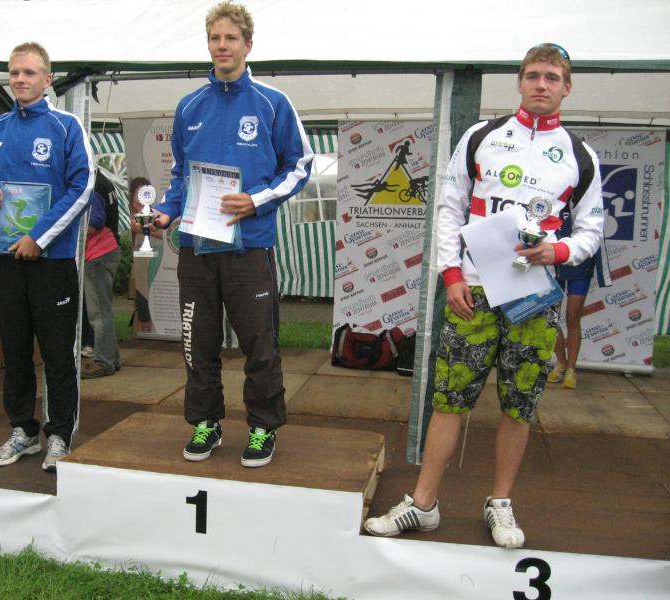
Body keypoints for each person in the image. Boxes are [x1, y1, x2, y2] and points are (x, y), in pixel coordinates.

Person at [364, 43, 604, 548]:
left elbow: (592, 229)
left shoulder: (580, 154)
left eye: (552, 77)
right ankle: (424, 504)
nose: (541, 84)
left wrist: (558, 251)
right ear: (519, 82)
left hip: (534, 297)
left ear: (567, 87)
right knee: (450, 398)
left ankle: (500, 503)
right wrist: (451, 275)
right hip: (472, 293)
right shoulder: (482, 136)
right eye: (533, 75)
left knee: (519, 405)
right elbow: (449, 208)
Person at [150, 1, 313, 468]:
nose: (222, 46)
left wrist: (255, 201)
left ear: (247, 45)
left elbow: (299, 165)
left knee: (259, 345)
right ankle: (206, 422)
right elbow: (181, 175)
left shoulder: (271, 103)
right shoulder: (189, 106)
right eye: (215, 39)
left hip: (249, 247)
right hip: (197, 246)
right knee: (197, 343)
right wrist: (165, 212)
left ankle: (262, 427)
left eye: (230, 38)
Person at [0, 42, 93, 472]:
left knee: (57, 352)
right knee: (13, 350)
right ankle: (23, 431)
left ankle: (60, 435)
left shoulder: (66, 126)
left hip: (51, 259)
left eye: (29, 73)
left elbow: (82, 187)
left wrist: (39, 237)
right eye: (14, 73)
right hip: (5, 256)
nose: (20, 80)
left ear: (48, 79)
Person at [548, 219, 610, 389]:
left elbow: (596, 236)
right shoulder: (555, 204)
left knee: (573, 318)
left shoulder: (587, 206)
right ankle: (561, 363)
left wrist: (603, 274)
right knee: (551, 318)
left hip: (581, 267)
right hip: (555, 265)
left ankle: (571, 370)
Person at [81, 173, 121, 379]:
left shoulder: (92, 184)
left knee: (98, 313)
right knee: (103, 310)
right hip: (105, 252)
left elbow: (94, 221)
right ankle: (111, 358)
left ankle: (104, 361)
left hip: (97, 255)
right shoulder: (101, 180)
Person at [128, 176, 156, 333]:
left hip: (153, 276)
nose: (141, 199)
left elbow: (163, 234)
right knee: (142, 313)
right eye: (138, 194)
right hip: (139, 277)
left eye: (145, 194)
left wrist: (142, 228)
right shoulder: (130, 216)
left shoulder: (156, 216)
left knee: (148, 314)